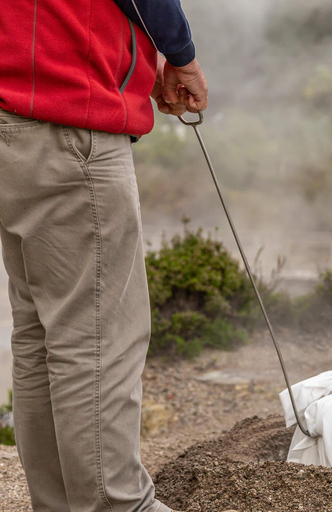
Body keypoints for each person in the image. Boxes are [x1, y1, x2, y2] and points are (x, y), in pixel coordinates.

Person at [0, 0, 207, 510]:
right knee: (98, 338)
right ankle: (119, 505)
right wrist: (180, 54)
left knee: (42, 333)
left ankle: (59, 505)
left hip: (13, 113)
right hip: (66, 112)